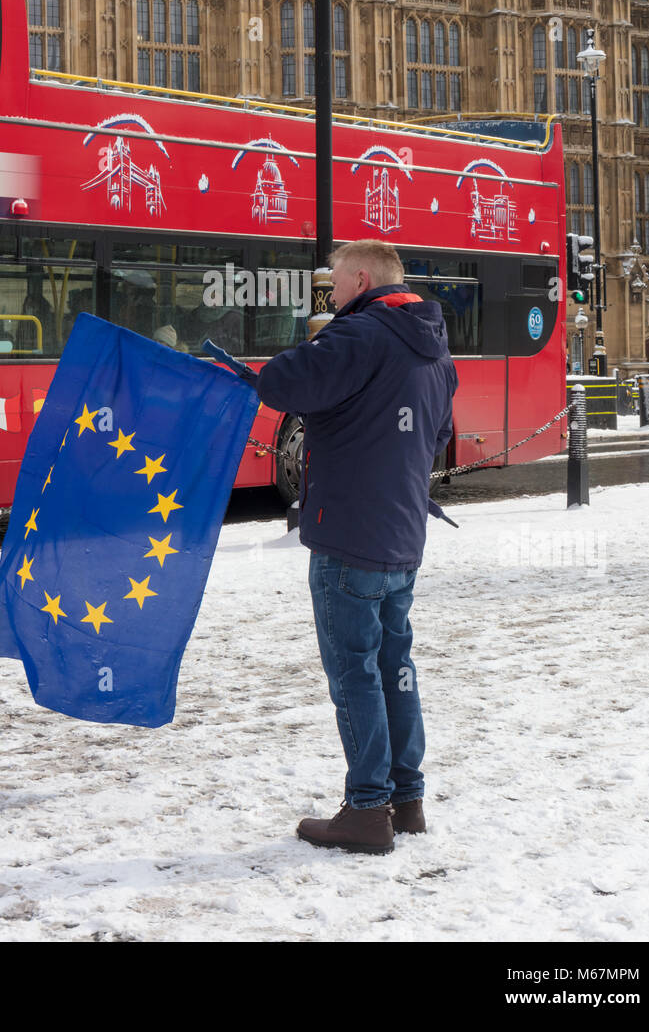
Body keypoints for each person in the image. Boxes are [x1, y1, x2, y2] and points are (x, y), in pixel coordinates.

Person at [256, 239, 458, 856]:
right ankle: (407, 798)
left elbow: (280, 382)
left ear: (362, 278)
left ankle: (367, 810)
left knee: (355, 672)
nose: (332, 298)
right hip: (402, 535)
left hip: (347, 535)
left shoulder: (361, 331)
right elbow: (441, 433)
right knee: (395, 665)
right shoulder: (434, 345)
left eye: (336, 286)